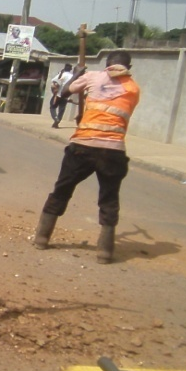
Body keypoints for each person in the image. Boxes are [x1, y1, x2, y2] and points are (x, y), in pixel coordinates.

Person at [33, 51, 141, 264]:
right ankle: (105, 253)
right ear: (129, 66)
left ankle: (41, 238)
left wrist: (77, 73)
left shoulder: (93, 77)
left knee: (62, 190)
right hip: (113, 150)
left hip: (83, 145)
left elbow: (64, 92)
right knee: (109, 199)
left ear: (106, 64)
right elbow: (110, 107)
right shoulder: (133, 88)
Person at [48, 64, 73, 128]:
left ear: (64, 68)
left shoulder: (61, 74)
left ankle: (56, 118)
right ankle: (57, 122)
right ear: (71, 69)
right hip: (66, 96)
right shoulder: (72, 77)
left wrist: (54, 91)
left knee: (52, 107)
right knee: (61, 110)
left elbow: (54, 82)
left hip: (58, 95)